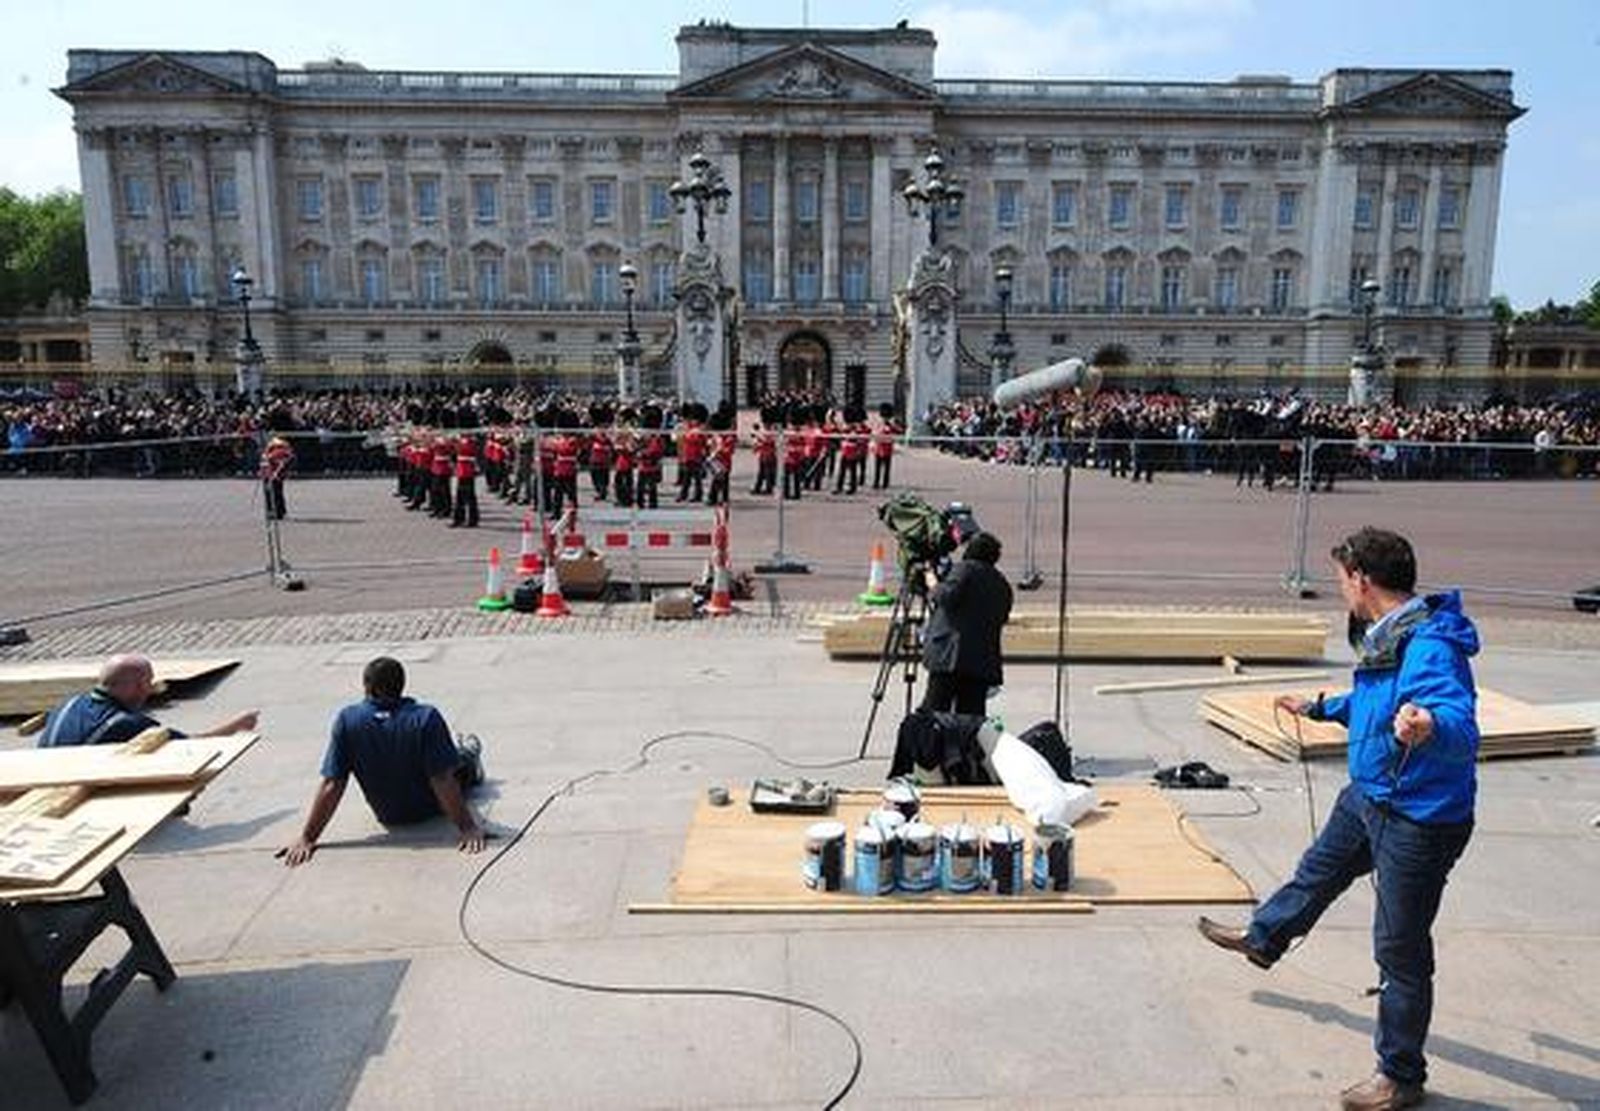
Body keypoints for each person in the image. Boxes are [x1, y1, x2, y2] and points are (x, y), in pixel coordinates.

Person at [1196, 528, 1479, 1111]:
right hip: (1371, 795)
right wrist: (1324, 707)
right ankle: (1264, 935)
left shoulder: (1427, 644)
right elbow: (1378, 703)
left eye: (1341, 579)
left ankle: (1401, 1076)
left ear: (1361, 579)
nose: (1340, 590)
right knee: (1316, 872)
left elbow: (1458, 720)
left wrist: (1429, 725)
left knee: (1399, 950)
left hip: (1419, 818)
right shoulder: (1389, 635)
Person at [280, 657, 486, 865]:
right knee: (460, 760)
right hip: (431, 808)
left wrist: (307, 837)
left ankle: (465, 750)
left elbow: (332, 784)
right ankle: (470, 752)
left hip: (388, 814)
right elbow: (442, 779)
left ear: (366, 687)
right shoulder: (425, 717)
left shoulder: (348, 720)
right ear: (401, 685)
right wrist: (467, 827)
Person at [39, 654, 259, 747]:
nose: (150, 690)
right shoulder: (125, 724)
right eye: (148, 683)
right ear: (138, 687)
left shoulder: (69, 703)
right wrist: (237, 725)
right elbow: (190, 747)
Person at [919, 530, 1014, 716]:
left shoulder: (965, 569)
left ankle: (929, 745)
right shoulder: (1001, 583)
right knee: (970, 719)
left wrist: (931, 580)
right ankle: (966, 746)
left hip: (951, 656)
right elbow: (1002, 617)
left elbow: (945, 596)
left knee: (934, 713)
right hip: (981, 661)